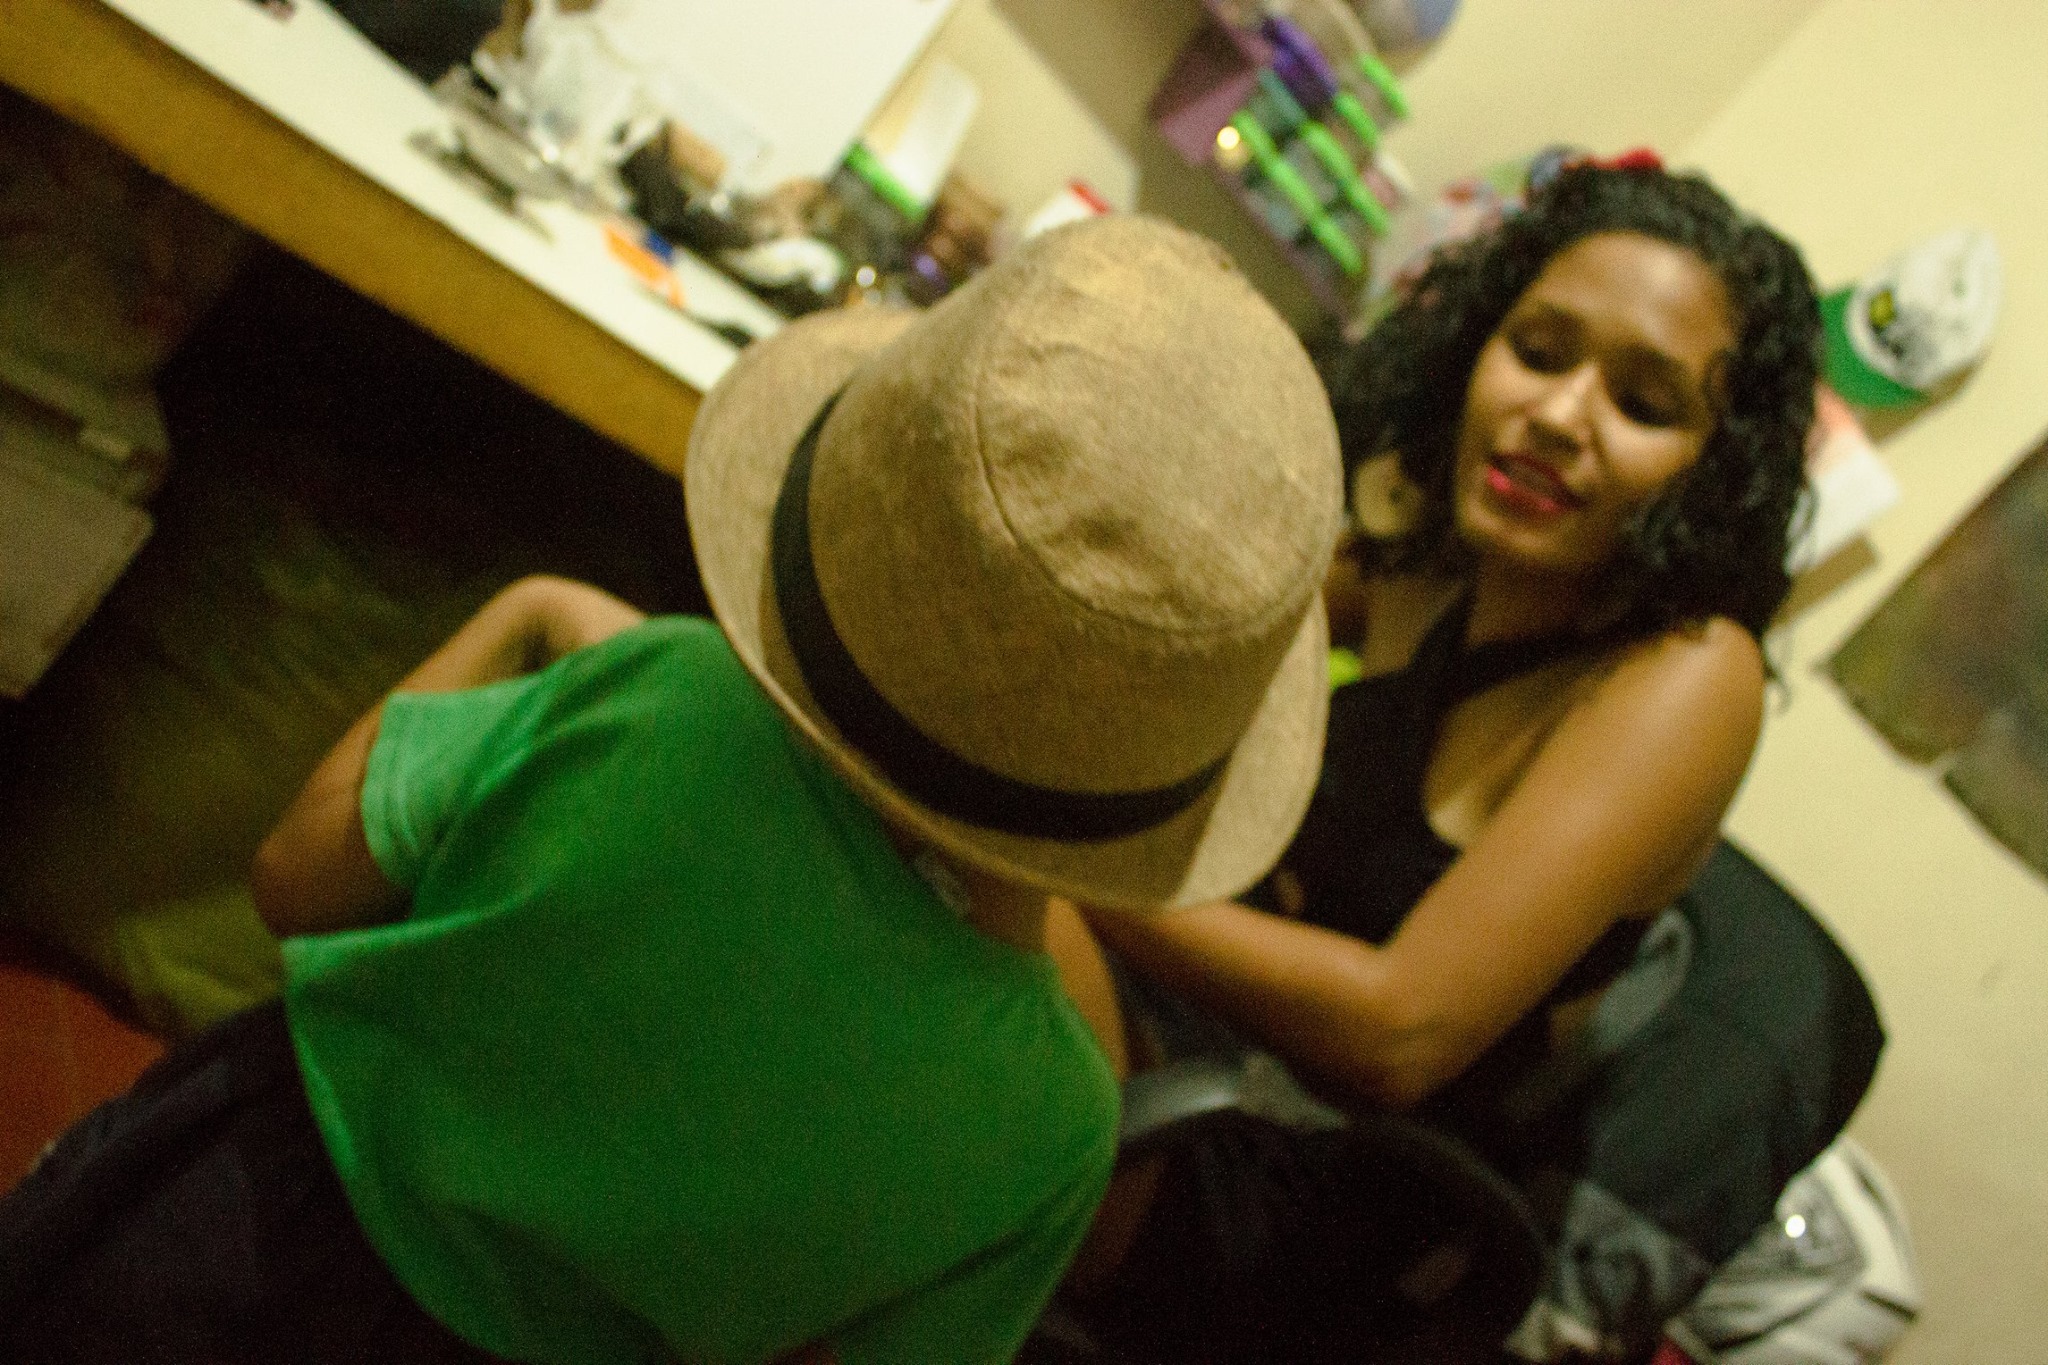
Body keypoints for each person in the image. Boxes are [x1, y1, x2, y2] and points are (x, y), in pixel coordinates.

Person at [0, 216, 1345, 1364]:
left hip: (218, 1237)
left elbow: (296, 878)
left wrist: (527, 612)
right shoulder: (1053, 1130)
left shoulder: (663, 693)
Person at [1065, 162, 1824, 1362]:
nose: (1557, 414)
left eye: (1641, 402)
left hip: (1309, 1191)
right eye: (1537, 350)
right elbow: (1189, 604)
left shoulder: (1688, 675)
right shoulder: (1439, 561)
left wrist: (1069, 870)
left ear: (1712, 466)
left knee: (980, 902)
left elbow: (1398, 1031)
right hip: (1198, 1048)